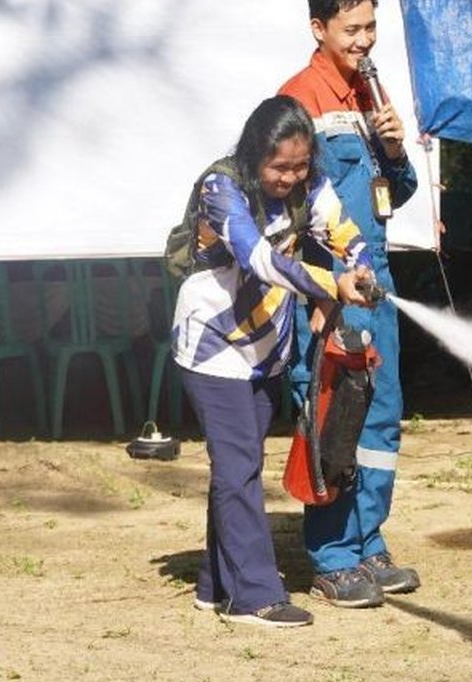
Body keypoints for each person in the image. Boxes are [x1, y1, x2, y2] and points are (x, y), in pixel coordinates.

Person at [171, 95, 376, 628]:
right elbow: (258, 259)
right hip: (211, 346)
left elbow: (344, 230)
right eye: (278, 166)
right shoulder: (221, 188)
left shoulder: (311, 186)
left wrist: (361, 269)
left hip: (265, 350)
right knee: (237, 467)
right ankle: (254, 596)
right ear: (253, 155)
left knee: (241, 466)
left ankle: (216, 586)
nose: (289, 177)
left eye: (300, 165)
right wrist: (331, 285)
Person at [279, 0, 419, 609]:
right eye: (352, 29)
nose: (365, 41)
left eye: (371, 28)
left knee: (381, 414)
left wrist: (395, 152)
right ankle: (332, 556)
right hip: (333, 290)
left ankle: (368, 541)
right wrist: (314, 288)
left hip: (376, 283)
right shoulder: (298, 101)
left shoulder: (371, 99)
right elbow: (281, 211)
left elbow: (398, 195)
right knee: (335, 413)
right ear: (319, 29)